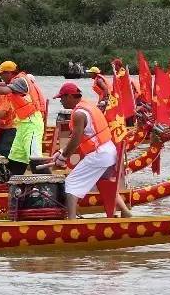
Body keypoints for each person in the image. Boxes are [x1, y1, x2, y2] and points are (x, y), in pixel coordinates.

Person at [48, 83, 132, 219]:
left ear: (69, 96)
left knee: (70, 183)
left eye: (62, 98)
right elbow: (80, 136)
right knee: (102, 182)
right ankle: (125, 211)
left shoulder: (79, 114)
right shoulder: (89, 106)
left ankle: (71, 221)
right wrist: (61, 151)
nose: (61, 101)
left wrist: (63, 158)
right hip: (109, 151)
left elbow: (75, 140)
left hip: (99, 155)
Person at [0, 61, 47, 176]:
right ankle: (14, 185)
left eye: (1, 74)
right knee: (16, 158)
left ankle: (49, 187)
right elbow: (3, 86)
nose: (0, 77)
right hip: (22, 125)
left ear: (9, 73)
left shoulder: (21, 80)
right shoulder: (16, 81)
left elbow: (5, 90)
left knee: (35, 159)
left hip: (32, 123)